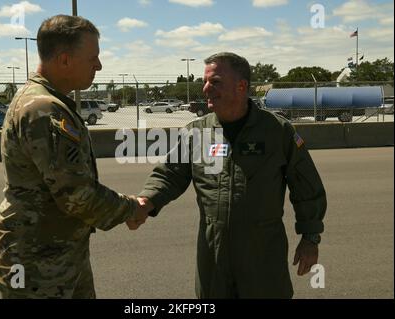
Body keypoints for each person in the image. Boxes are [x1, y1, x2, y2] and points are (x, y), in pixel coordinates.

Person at [135, 52, 327, 298]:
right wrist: (146, 200)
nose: (205, 89)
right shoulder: (196, 133)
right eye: (205, 82)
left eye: (215, 82)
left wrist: (310, 237)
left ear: (241, 86)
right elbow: (170, 175)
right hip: (213, 259)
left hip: (263, 258)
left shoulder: (277, 131)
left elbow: (307, 186)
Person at [0, 15, 147, 299]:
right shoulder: (43, 108)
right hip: (36, 268)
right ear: (64, 60)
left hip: (57, 259)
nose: (99, 66)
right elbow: (77, 195)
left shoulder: (45, 100)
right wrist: (130, 209)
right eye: (93, 58)